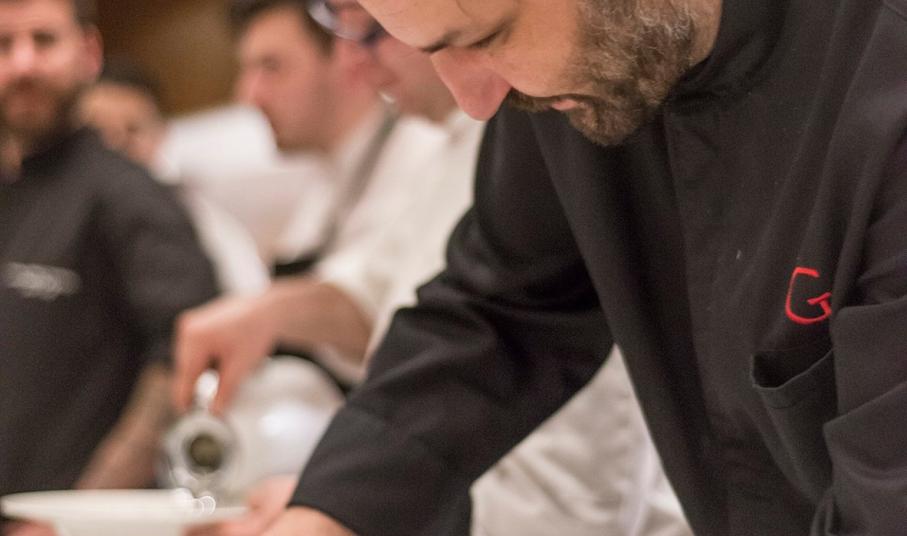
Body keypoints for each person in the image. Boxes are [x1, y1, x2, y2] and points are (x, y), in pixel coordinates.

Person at [175, 0, 907, 534]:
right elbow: (502, 310)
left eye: (487, 37)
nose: (474, 102)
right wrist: (330, 513)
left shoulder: (881, 81)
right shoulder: (567, 73)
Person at [0, 0, 219, 535]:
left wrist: (73, 518)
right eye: (4, 45)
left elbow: (184, 357)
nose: (23, 64)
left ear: (88, 52)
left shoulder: (129, 195)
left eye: (44, 40)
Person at [172, 0, 449, 402]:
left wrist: (267, 313)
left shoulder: (427, 150)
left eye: (272, 67)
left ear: (346, 54)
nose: (249, 95)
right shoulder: (321, 191)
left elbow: (394, 309)